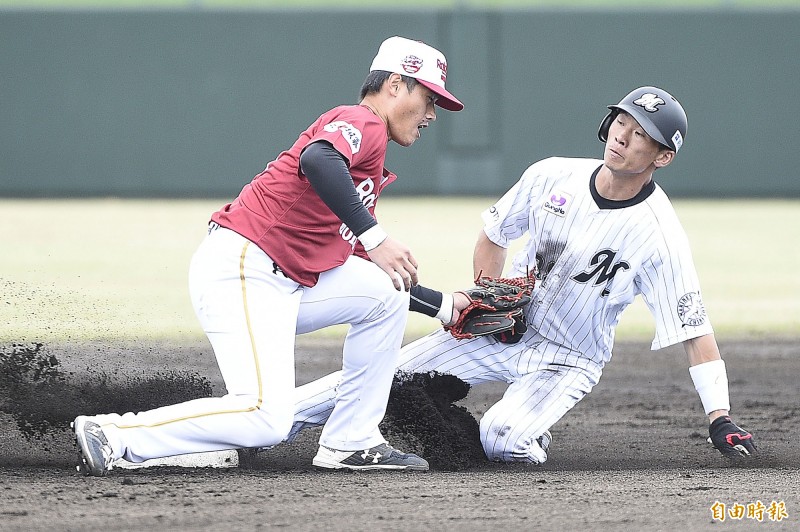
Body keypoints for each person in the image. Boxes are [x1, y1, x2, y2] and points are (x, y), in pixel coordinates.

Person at [289, 86, 757, 463]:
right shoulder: (552, 176)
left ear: (662, 156)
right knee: (379, 376)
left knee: (501, 439)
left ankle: (530, 437)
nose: (623, 136)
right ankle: (258, 424)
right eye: (622, 122)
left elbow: (694, 331)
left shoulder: (660, 235)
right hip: (501, 333)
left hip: (568, 358)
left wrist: (720, 417)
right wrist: (486, 297)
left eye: (640, 134)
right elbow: (494, 233)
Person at [72, 35, 464, 475]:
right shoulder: (363, 121)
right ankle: (115, 435)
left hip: (276, 281)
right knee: (264, 418)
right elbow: (318, 160)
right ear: (395, 85)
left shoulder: (366, 156)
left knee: (383, 297)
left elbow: (362, 257)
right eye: (429, 98)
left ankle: (352, 441)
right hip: (244, 268)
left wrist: (445, 306)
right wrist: (374, 234)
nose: (432, 114)